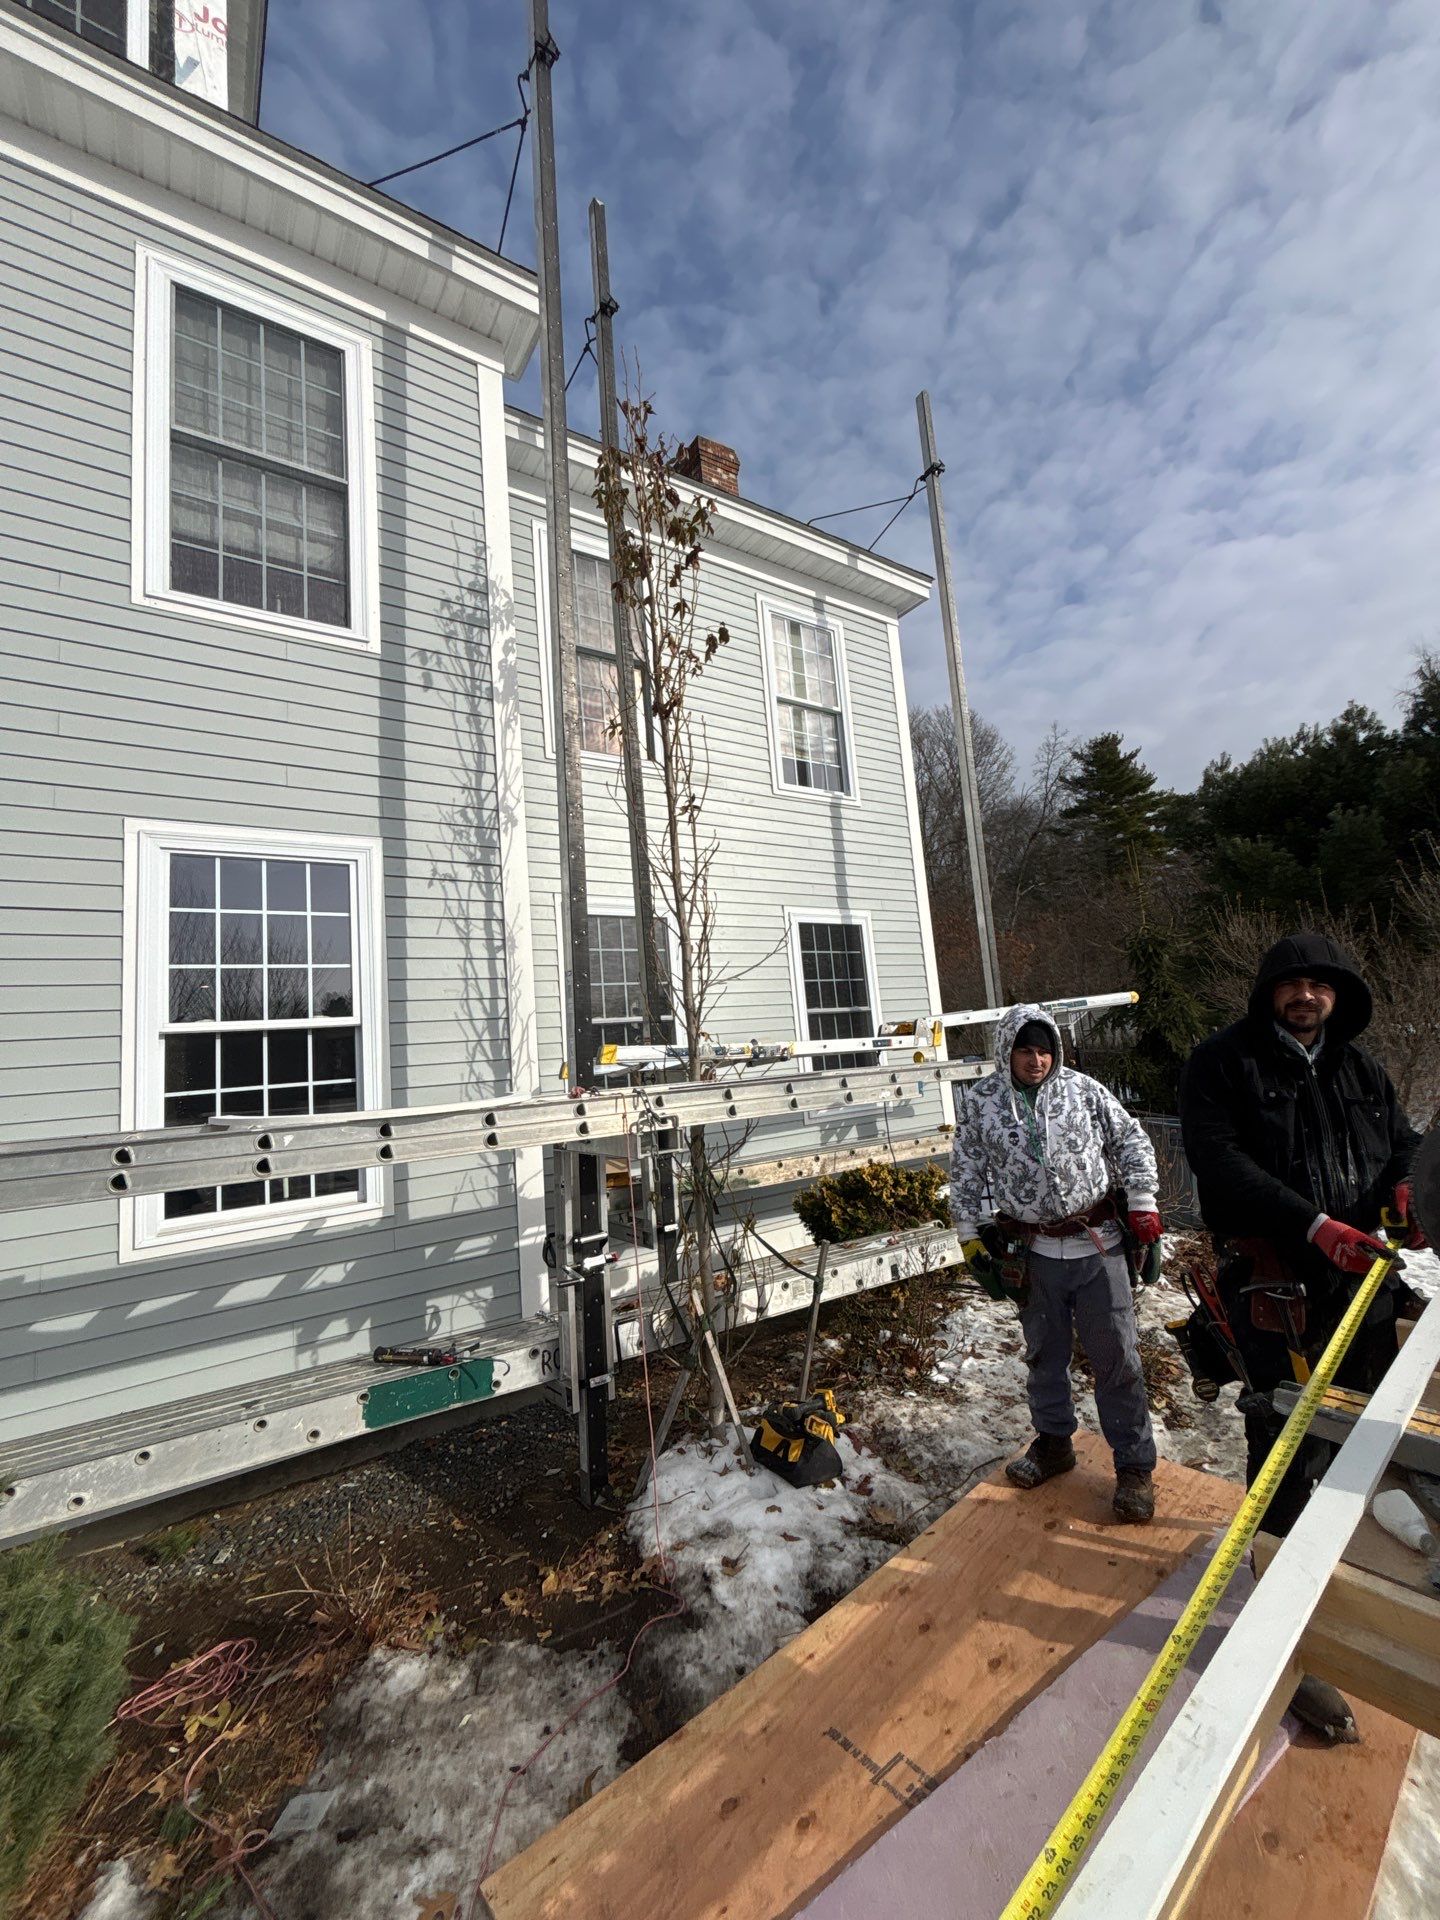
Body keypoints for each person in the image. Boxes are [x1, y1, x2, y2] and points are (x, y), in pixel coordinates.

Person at [1179, 931, 1425, 1741]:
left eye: (1320, 985)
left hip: (1360, 1281)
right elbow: (1220, 1165)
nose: (1306, 996)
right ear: (1269, 992)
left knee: (1358, 1439)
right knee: (1283, 1446)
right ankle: (1275, 1632)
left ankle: (1338, 1594)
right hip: (1275, 1286)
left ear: (1339, 995)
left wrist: (1411, 1193)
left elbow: (1404, 1150)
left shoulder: (1363, 1071)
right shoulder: (1224, 1063)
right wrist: (1313, 1225)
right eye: (1292, 984)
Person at [949, 1003, 1164, 1523]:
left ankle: (1134, 1467)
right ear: (1007, 1051)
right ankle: (1053, 1443)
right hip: (1034, 1255)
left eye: (1045, 1049)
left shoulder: (1084, 1091)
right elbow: (966, 1171)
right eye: (1026, 1049)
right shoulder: (982, 1104)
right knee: (1045, 1354)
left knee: (1116, 1357)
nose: (1037, 1059)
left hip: (1099, 1245)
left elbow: (1130, 1138)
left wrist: (1142, 1205)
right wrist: (970, 1235)